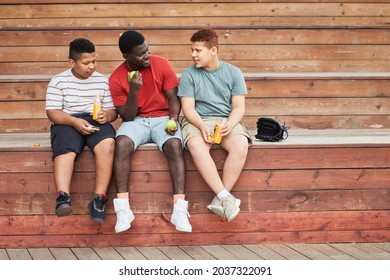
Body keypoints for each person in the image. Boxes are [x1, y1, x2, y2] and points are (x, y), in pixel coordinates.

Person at [109, 30, 192, 233]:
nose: (147, 55)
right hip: (136, 120)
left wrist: (173, 120)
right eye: (140, 54)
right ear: (126, 56)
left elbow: (174, 98)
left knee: (174, 144)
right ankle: (123, 209)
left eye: (147, 50)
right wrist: (134, 90)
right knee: (121, 144)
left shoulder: (161, 64)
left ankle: (180, 209)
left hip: (163, 118)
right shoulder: (117, 78)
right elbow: (127, 117)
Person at [178, 28, 252, 222]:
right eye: (192, 50)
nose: (193, 55)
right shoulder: (188, 75)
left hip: (226, 119)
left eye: (198, 50)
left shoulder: (234, 73)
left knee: (241, 145)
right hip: (198, 120)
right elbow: (188, 108)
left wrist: (230, 123)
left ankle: (221, 198)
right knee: (195, 146)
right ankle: (225, 197)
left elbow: (238, 107)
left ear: (213, 50)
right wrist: (201, 126)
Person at [45, 38, 117, 223]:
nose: (91, 66)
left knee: (108, 143)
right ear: (72, 62)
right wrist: (74, 121)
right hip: (67, 120)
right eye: (86, 63)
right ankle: (63, 197)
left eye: (94, 61)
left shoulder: (102, 81)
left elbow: (112, 111)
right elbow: (53, 112)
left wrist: (106, 117)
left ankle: (98, 199)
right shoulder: (59, 81)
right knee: (66, 148)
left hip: (95, 120)